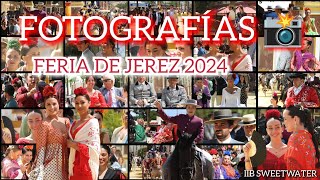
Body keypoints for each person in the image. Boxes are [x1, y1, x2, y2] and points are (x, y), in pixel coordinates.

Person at [68, 87, 100, 180]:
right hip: (73, 163)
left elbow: (94, 148)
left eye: (82, 102)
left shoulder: (93, 122)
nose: (79, 106)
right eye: (77, 103)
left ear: (89, 103)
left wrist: (72, 144)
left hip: (86, 166)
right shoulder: (74, 123)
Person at [283, 97, 320, 178]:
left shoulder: (296, 138)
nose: (284, 122)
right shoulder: (306, 136)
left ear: (295, 119)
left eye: (285, 119)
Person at [244, 109, 287, 178]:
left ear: (282, 128)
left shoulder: (291, 150)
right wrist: (247, 155)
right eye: (270, 128)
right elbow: (249, 173)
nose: (274, 131)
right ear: (267, 130)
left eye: (277, 127)